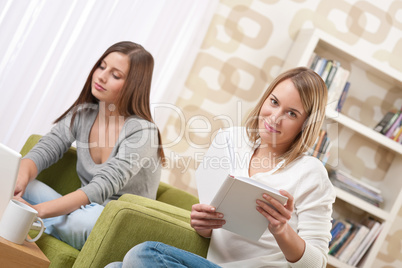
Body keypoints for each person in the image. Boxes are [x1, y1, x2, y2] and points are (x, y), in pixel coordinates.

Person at [105, 66, 336, 267]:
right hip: (211, 263)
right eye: (274, 102)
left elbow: (316, 264)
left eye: (291, 113)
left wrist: (281, 231)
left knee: (142, 255)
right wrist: (202, 225)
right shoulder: (230, 141)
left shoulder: (311, 174)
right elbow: (212, 229)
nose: (274, 118)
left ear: (305, 125)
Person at [14, 41, 165, 250]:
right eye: (102, 66)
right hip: (81, 209)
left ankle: (33, 222)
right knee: (9, 180)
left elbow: (100, 187)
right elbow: (46, 148)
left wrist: (36, 212)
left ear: (134, 85)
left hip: (110, 222)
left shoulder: (143, 132)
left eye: (116, 75)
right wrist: (17, 182)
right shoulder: (83, 114)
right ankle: (41, 221)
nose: (101, 76)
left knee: (83, 220)